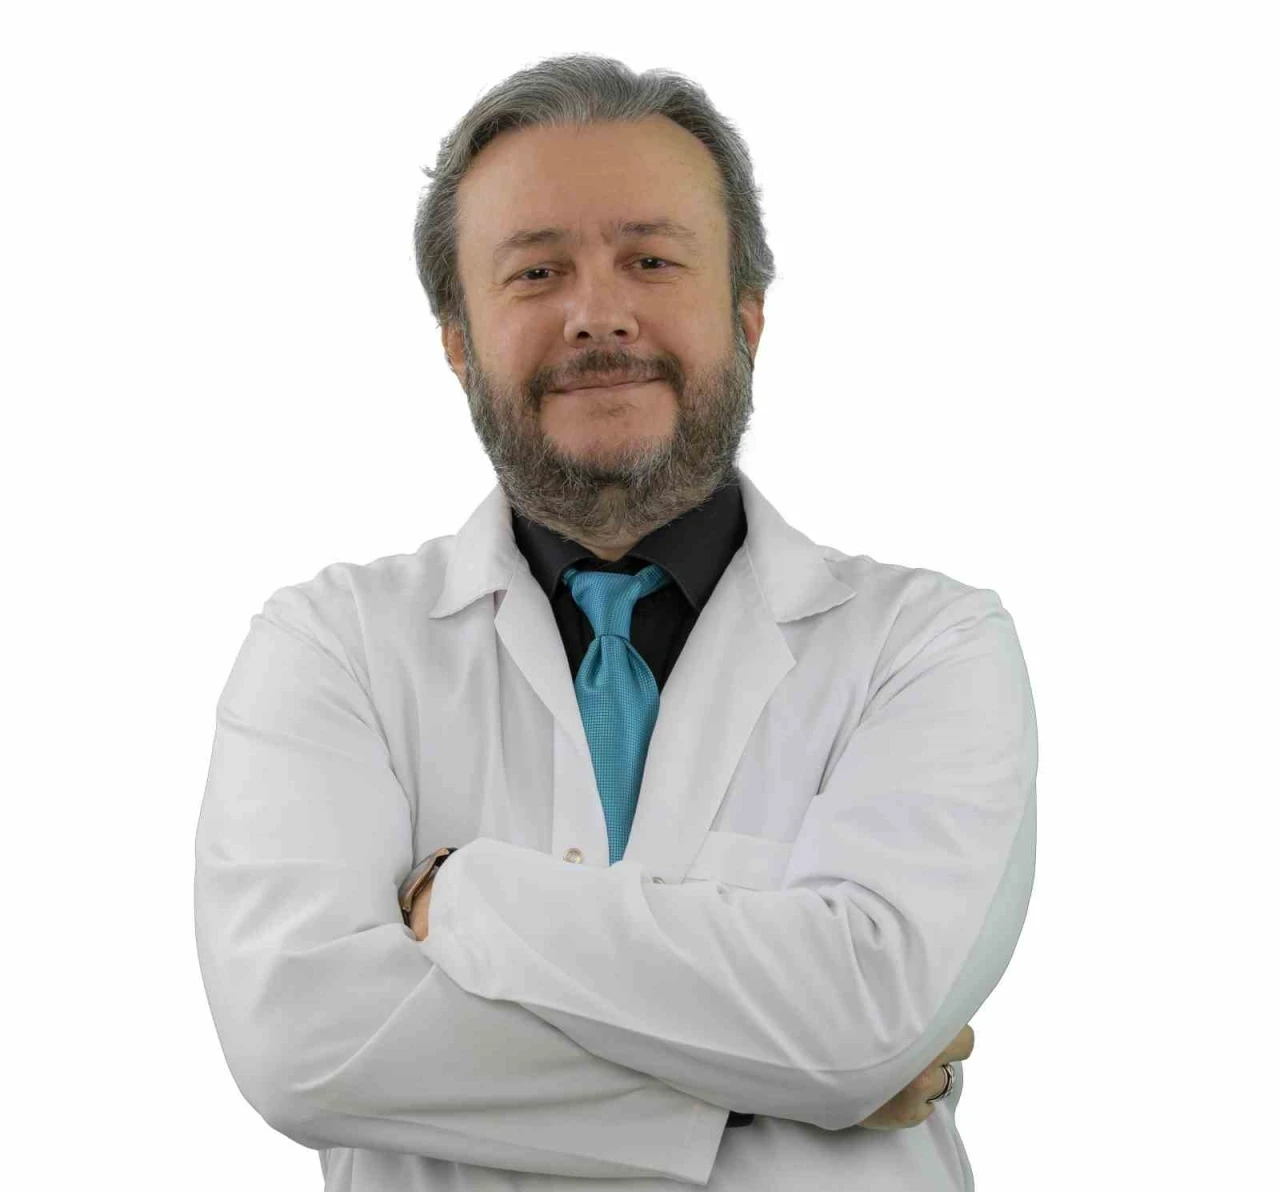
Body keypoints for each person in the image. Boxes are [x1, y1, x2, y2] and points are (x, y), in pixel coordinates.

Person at [194, 52, 1037, 1191]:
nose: (597, 315)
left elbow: (866, 1016)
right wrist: (771, 1080)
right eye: (536, 271)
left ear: (746, 315)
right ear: (458, 343)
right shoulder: (329, 648)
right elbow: (304, 1046)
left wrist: (465, 896)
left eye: (650, 259)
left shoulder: (926, 645)